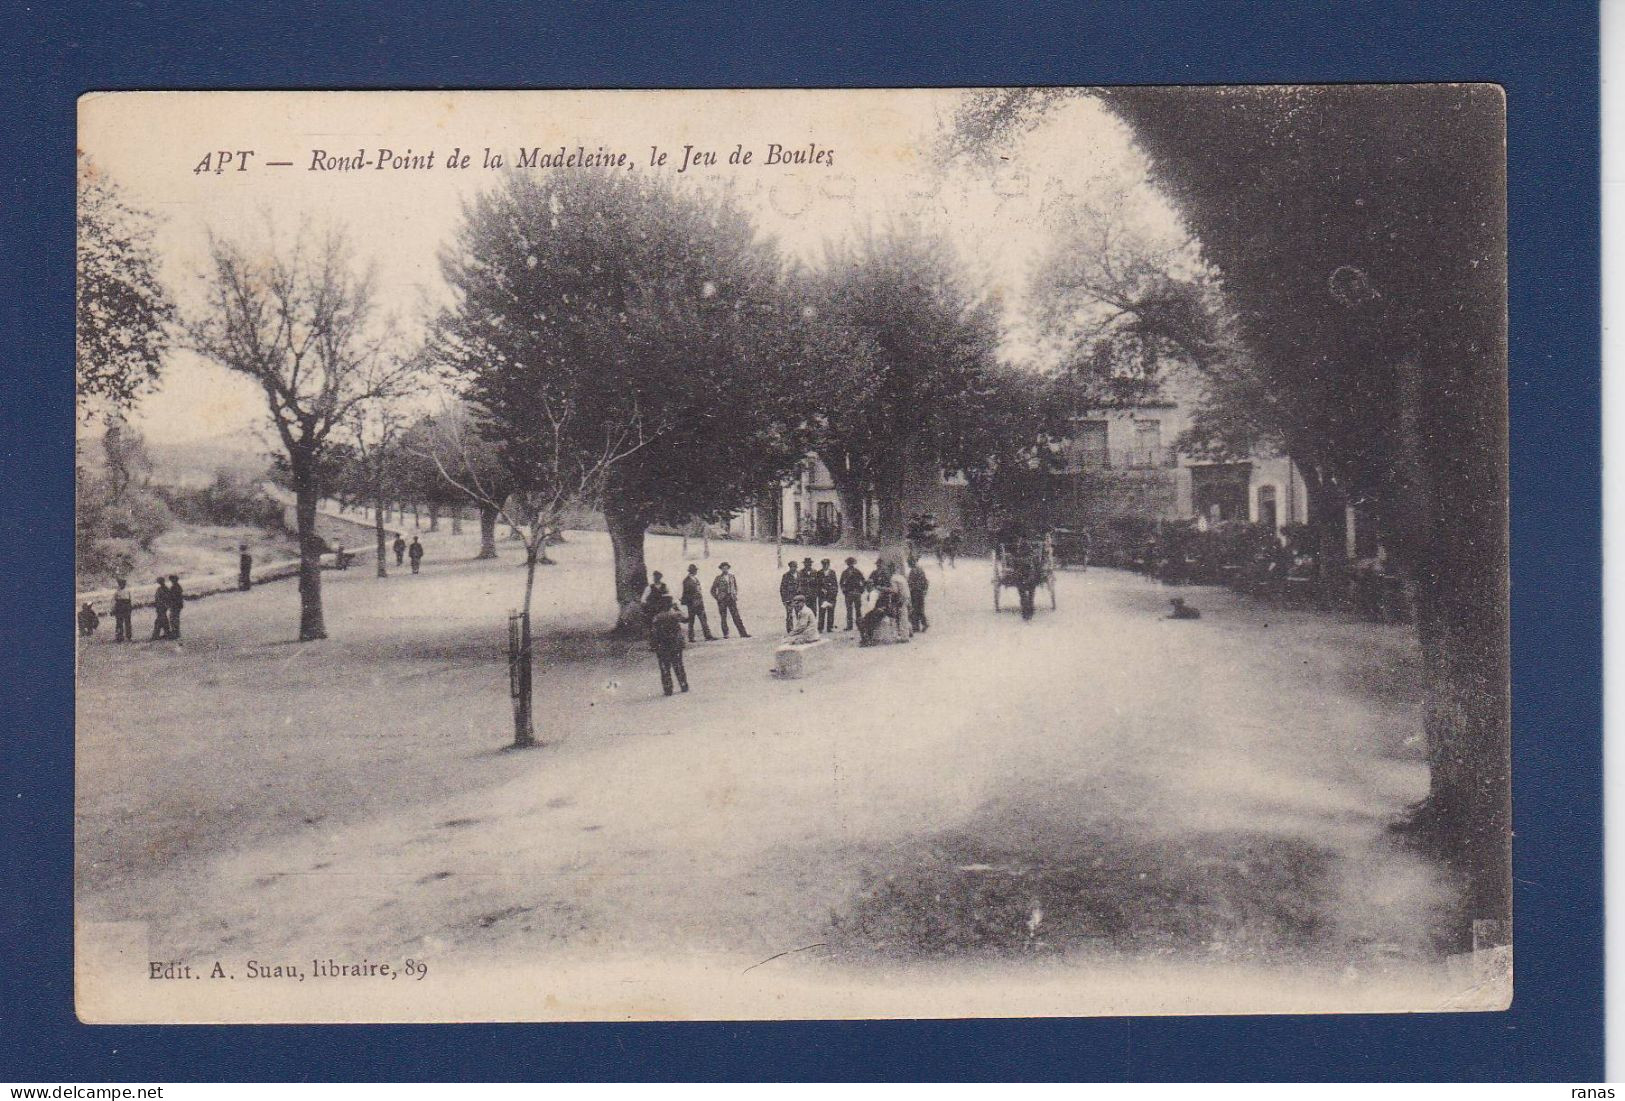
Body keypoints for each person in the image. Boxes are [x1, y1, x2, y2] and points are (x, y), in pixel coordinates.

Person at [647, 594, 690, 696]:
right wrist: (677, 608)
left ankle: (668, 688)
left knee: (665, 667)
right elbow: (686, 619)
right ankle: (683, 684)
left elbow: (653, 632)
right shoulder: (675, 614)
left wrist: (653, 645)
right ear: (671, 604)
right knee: (678, 665)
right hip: (675, 644)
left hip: (662, 645)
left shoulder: (657, 617)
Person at [709, 562, 750, 638]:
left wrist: (734, 594)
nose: (725, 569)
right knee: (723, 617)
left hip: (731, 599)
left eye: (726, 567)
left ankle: (743, 633)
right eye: (723, 567)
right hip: (722, 600)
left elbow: (735, 587)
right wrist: (718, 598)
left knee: (736, 616)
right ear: (721, 569)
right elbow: (712, 590)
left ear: (728, 568)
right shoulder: (718, 578)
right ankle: (726, 634)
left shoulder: (732, 577)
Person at [681, 563, 717, 642]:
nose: (696, 571)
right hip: (692, 604)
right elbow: (686, 593)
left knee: (703, 619)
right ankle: (691, 638)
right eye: (695, 570)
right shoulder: (686, 581)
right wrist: (692, 601)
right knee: (691, 621)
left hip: (699, 603)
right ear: (692, 571)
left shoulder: (695, 579)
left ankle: (708, 636)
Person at [839, 556, 866, 631]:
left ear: (853, 564)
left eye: (851, 563)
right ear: (847, 564)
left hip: (857, 593)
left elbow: (863, 580)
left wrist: (861, 590)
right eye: (849, 563)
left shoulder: (857, 571)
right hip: (848, 593)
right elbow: (841, 582)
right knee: (849, 610)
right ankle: (849, 626)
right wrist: (844, 590)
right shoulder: (845, 572)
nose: (850, 564)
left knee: (858, 610)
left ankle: (859, 626)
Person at [889, 560, 913, 642]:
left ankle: (904, 637)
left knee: (901, 617)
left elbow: (895, 591)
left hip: (901, 599)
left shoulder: (893, 578)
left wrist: (887, 590)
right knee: (905, 616)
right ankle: (907, 633)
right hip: (907, 597)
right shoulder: (901, 577)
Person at [907, 556, 930, 632]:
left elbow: (910, 583)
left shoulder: (913, 571)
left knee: (915, 609)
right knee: (920, 609)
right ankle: (923, 623)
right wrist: (925, 590)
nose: (908, 564)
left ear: (912, 562)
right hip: (920, 592)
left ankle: (916, 626)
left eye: (909, 563)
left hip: (915, 592)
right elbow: (926, 581)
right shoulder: (920, 569)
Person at [816, 557, 839, 632]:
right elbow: (817, 584)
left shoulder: (832, 572)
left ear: (829, 565)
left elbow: (835, 584)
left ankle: (829, 627)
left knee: (831, 611)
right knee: (822, 611)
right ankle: (820, 627)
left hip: (831, 595)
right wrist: (821, 589)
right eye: (823, 564)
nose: (825, 566)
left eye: (826, 564)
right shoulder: (819, 573)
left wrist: (833, 593)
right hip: (822, 596)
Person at [780, 563, 801, 632]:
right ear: (789, 567)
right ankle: (790, 629)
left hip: (798, 597)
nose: (793, 568)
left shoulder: (799, 574)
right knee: (789, 614)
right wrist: (784, 600)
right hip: (789, 598)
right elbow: (782, 588)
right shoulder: (786, 576)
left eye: (795, 567)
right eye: (792, 567)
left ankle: (799, 627)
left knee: (799, 613)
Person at [111, 578, 133, 642]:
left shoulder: (128, 591)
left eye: (123, 584)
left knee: (127, 622)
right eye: (120, 584)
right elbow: (113, 601)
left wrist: (130, 607)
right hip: (119, 608)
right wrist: (113, 609)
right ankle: (119, 637)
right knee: (119, 623)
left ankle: (128, 637)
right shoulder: (116, 592)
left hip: (126, 607)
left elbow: (130, 600)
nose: (121, 585)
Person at [166, 574, 185, 639]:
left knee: (173, 619)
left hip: (175, 605)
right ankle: (176, 632)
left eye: (172, 579)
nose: (171, 581)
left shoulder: (174, 587)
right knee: (174, 619)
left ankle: (175, 633)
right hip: (177, 605)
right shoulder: (177, 586)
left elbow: (173, 597)